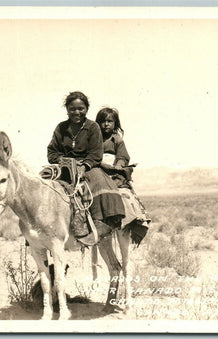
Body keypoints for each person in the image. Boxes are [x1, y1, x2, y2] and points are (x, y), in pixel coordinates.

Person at [47, 92, 125, 245]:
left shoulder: (93, 127)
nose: (77, 112)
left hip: (88, 165)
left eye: (81, 109)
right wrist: (61, 160)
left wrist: (84, 166)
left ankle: (98, 226)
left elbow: (96, 153)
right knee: (39, 188)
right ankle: (41, 231)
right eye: (72, 109)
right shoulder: (61, 128)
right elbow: (52, 151)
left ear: (87, 109)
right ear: (67, 109)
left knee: (102, 186)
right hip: (64, 167)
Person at [95, 107, 151, 234]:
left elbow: (122, 157)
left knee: (126, 196)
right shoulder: (94, 139)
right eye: (103, 121)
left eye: (110, 121)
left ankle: (134, 219)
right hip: (97, 171)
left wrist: (118, 165)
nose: (106, 124)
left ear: (115, 123)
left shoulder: (117, 140)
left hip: (114, 173)